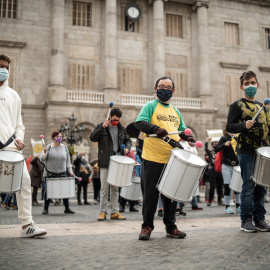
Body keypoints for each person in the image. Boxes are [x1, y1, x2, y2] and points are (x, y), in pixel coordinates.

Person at [135, 76, 191, 240]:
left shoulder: (176, 111)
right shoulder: (150, 106)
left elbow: (182, 130)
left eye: (168, 87)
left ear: (173, 91)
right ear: (155, 88)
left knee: (171, 195)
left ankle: (171, 227)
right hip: (152, 157)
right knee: (150, 195)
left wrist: (189, 138)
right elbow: (140, 123)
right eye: (161, 86)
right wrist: (155, 128)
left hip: (172, 159)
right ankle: (147, 226)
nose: (164, 89)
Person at [0, 54, 47, 237]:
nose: (3, 69)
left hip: (11, 149)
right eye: (0, 66)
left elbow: (19, 124)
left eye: (5, 67)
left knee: (24, 183)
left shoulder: (14, 95)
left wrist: (20, 137)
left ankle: (27, 224)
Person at [226, 70, 270, 232]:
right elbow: (230, 127)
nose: (250, 86)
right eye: (246, 84)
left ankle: (260, 219)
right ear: (241, 87)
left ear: (257, 85)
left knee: (262, 187)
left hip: (263, 152)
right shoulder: (237, 106)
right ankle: (246, 220)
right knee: (249, 185)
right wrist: (243, 125)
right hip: (247, 151)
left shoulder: (262, 106)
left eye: (252, 83)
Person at [90, 108, 132, 221]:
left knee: (115, 188)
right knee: (104, 188)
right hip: (104, 161)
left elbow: (128, 141)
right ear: (110, 116)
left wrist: (127, 149)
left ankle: (115, 212)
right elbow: (92, 137)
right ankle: (103, 212)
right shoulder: (102, 126)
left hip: (117, 161)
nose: (116, 122)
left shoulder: (122, 129)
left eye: (118, 120)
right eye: (114, 119)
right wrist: (102, 127)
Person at [40, 131, 75, 215]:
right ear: (53, 138)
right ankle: (46, 208)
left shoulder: (65, 148)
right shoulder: (48, 147)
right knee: (49, 191)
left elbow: (68, 161)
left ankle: (67, 208)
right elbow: (42, 159)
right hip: (50, 173)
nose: (59, 138)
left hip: (62, 172)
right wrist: (44, 152)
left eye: (60, 136)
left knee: (64, 191)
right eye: (57, 136)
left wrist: (70, 171)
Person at [215, 131, 240, 214]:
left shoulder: (237, 138)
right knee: (227, 185)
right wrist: (224, 145)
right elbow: (216, 149)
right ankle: (227, 206)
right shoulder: (224, 138)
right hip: (226, 165)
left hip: (236, 165)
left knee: (237, 186)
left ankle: (238, 206)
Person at [205, 137, 224, 206]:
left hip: (219, 169)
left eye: (216, 144)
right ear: (212, 145)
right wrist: (206, 141)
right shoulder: (210, 152)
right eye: (214, 144)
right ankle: (210, 200)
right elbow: (206, 149)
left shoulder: (220, 152)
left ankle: (219, 200)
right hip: (212, 169)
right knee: (212, 185)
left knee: (220, 185)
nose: (215, 145)